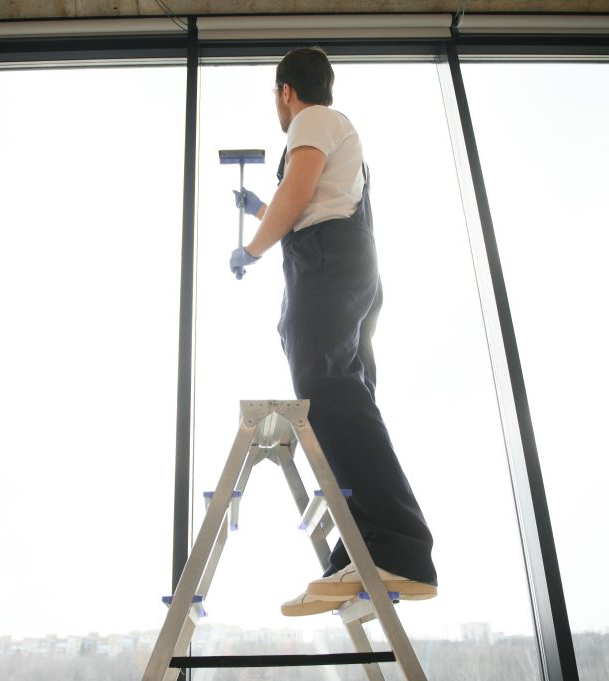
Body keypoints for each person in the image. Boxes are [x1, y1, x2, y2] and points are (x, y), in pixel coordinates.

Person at [228, 47, 438, 617]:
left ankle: (401, 547)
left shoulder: (312, 120)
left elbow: (298, 199)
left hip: (328, 266)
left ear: (286, 91)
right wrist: (259, 210)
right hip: (342, 267)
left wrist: (250, 248)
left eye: (277, 97)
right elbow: (308, 201)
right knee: (339, 402)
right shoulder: (332, 130)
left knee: (333, 398)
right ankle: (363, 549)